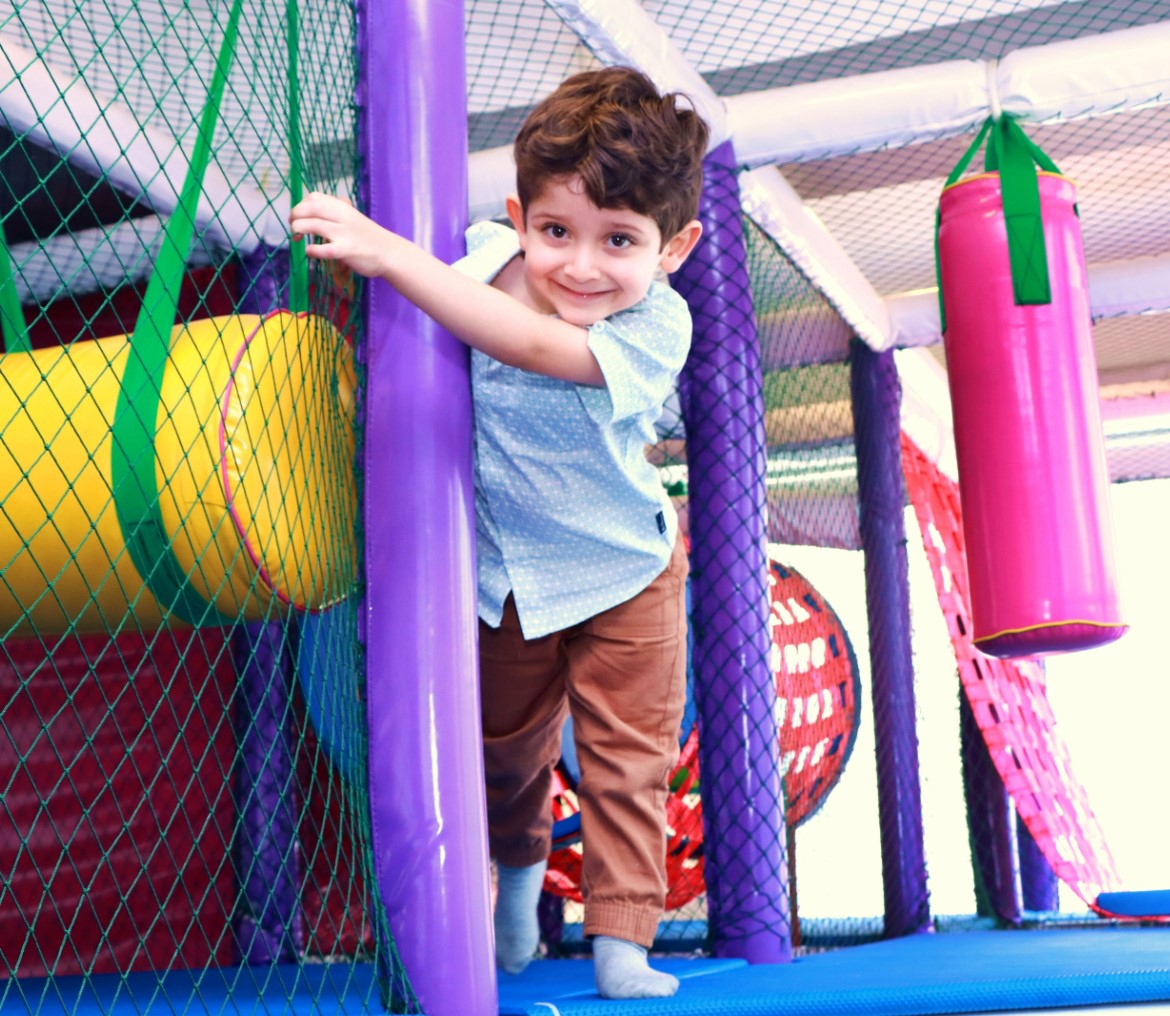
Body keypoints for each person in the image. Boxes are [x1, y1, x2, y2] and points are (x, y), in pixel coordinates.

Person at [290, 65, 708, 1000]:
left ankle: (623, 943)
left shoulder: (656, 323)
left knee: (628, 759)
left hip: (627, 570)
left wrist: (393, 256)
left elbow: (533, 346)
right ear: (518, 218)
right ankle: (519, 873)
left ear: (672, 248)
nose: (582, 266)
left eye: (619, 240)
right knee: (506, 754)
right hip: (509, 575)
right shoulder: (478, 264)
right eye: (556, 231)